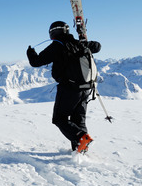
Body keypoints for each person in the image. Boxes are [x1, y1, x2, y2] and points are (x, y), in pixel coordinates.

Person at [26, 21, 101, 153]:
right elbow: (98, 47)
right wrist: (87, 43)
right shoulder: (78, 43)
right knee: (79, 120)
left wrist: (30, 53)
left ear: (53, 32)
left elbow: (36, 62)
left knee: (59, 118)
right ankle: (80, 150)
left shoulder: (57, 45)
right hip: (86, 88)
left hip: (69, 89)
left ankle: (81, 138)